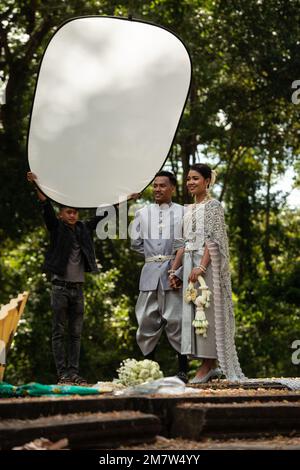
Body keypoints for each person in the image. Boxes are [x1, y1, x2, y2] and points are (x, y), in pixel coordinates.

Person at [27, 171, 136, 385]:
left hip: (78, 289)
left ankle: (74, 373)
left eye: (75, 212)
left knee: (75, 335)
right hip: (59, 288)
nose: (72, 215)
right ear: (61, 215)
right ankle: (63, 375)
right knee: (58, 332)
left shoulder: (83, 228)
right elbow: (46, 206)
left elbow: (104, 214)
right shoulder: (56, 228)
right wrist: (35, 184)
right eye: (68, 212)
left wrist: (126, 199)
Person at [169, 164, 245, 384]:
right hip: (189, 265)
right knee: (192, 314)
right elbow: (183, 243)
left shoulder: (213, 206)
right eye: (188, 179)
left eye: (195, 178)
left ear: (207, 181)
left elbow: (214, 240)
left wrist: (201, 266)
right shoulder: (187, 209)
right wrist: (175, 270)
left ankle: (208, 364)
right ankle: (204, 363)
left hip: (206, 266)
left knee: (207, 311)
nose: (191, 182)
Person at [130, 171, 188, 382]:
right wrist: (153, 256)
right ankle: (148, 372)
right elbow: (135, 243)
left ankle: (183, 370)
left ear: (172, 187)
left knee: (177, 320)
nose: (157, 189)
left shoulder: (183, 212)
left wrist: (176, 267)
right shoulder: (142, 213)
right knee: (146, 320)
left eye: (162, 186)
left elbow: (187, 244)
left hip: (174, 273)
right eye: (154, 186)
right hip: (149, 274)